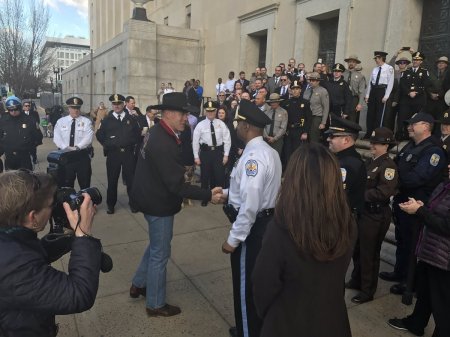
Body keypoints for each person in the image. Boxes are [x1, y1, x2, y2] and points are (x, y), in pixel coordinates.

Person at [129, 92, 222, 317]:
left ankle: (139, 284)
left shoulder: (158, 132)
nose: (186, 119)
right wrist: (208, 194)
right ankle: (155, 304)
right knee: (161, 253)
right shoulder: (162, 141)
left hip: (149, 197)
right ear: (169, 113)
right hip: (157, 203)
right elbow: (177, 186)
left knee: (155, 245)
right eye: (183, 114)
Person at [252, 143, 355, 337]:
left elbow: (263, 285)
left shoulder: (281, 229)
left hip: (287, 324)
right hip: (332, 321)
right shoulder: (348, 224)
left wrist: (272, 316)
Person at [0, 169, 101, 337]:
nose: (54, 208)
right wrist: (84, 234)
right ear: (32, 218)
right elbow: (79, 294)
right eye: (50, 205)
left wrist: (62, 242)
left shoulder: (9, 234)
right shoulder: (14, 267)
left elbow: (23, 254)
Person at [219, 99, 282, 337]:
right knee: (259, 283)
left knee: (246, 288)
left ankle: (248, 331)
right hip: (266, 223)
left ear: (246, 126)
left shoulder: (254, 157)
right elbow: (252, 190)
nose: (236, 127)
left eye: (238, 123)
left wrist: (233, 239)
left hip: (252, 229)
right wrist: (225, 195)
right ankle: (253, 327)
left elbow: (251, 203)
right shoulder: (269, 152)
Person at [379, 113, 446, 295]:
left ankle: (409, 281)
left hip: (416, 205)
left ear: (426, 126)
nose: (409, 127)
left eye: (413, 124)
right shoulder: (410, 146)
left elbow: (419, 177)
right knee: (402, 239)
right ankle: (399, 272)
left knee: (411, 242)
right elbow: (395, 166)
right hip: (403, 200)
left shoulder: (434, 151)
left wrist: (395, 182)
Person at [387, 166, 450, 337]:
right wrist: (421, 207)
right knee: (426, 293)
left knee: (443, 305)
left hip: (444, 258)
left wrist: (420, 211)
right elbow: (436, 212)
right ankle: (416, 323)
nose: (449, 166)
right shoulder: (445, 185)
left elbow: (446, 226)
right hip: (431, 251)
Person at [345, 127, 398, 303]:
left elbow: (384, 191)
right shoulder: (372, 162)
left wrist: (359, 195)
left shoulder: (388, 166)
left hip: (376, 214)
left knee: (369, 253)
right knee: (358, 249)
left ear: (386, 145)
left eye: (377, 143)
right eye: (372, 142)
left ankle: (367, 290)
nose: (372, 145)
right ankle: (356, 279)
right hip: (364, 212)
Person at [96, 94, 141, 214]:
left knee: (131, 180)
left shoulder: (131, 119)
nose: (117, 106)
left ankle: (133, 204)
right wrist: (108, 144)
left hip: (128, 154)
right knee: (112, 180)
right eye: (114, 104)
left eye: (119, 103)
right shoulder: (106, 120)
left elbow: (137, 134)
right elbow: (99, 135)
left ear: (123, 104)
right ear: (112, 105)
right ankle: (111, 205)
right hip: (113, 154)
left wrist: (131, 142)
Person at [326, 116, 366, 216]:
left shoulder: (349, 164)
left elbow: (337, 196)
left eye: (332, 136)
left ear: (346, 140)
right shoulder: (341, 159)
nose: (328, 139)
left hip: (341, 219)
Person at [192, 101, 231, 206]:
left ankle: (219, 197)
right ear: (205, 111)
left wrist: (226, 155)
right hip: (205, 153)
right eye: (208, 111)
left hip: (218, 153)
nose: (210, 113)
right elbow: (195, 142)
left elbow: (227, 140)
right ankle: (205, 197)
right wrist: (196, 156)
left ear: (216, 111)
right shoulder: (200, 125)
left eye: (212, 111)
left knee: (219, 176)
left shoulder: (221, 124)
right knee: (205, 177)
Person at [53, 97, 94, 189]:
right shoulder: (61, 121)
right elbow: (57, 138)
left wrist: (77, 147)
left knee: (85, 185)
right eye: (73, 108)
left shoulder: (86, 122)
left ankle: (84, 202)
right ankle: (68, 202)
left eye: (78, 108)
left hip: (81, 157)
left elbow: (88, 137)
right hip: (65, 157)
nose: (75, 110)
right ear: (69, 108)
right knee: (66, 185)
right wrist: (65, 148)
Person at [0, 96, 42, 170]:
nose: (13, 112)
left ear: (19, 107)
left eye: (15, 109)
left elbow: (38, 138)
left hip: (24, 157)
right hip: (9, 158)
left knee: (26, 180)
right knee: (11, 180)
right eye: (10, 110)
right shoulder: (3, 121)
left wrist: (29, 147)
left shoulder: (29, 120)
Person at [397, 52, 430, 140]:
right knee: (403, 118)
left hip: (418, 99)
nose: (415, 61)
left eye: (417, 60)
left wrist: (416, 92)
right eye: (414, 59)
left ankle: (413, 137)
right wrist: (409, 92)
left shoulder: (424, 72)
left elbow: (425, 84)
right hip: (406, 99)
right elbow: (402, 85)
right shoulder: (406, 71)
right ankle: (401, 135)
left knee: (415, 119)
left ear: (421, 61)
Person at [365, 51, 395, 139]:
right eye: (375, 58)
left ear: (382, 58)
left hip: (382, 91)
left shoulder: (389, 68)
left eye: (377, 58)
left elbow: (390, 83)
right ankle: (369, 132)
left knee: (379, 114)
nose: (376, 60)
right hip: (374, 91)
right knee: (370, 113)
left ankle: (377, 134)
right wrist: (367, 95)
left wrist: (386, 96)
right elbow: (370, 82)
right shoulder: (375, 69)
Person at [307, 72, 329, 143]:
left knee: (314, 138)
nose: (311, 82)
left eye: (313, 80)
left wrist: (323, 122)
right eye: (310, 80)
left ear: (318, 81)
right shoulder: (308, 90)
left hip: (316, 117)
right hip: (308, 117)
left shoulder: (323, 91)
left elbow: (326, 107)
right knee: (307, 137)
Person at [343, 55, 366, 122]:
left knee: (352, 118)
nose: (351, 63)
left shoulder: (360, 76)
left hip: (354, 99)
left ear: (356, 64)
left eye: (353, 62)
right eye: (350, 62)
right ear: (347, 63)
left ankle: (352, 132)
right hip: (344, 98)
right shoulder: (343, 74)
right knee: (343, 118)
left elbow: (361, 91)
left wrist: (360, 104)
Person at [22, 99, 41, 164]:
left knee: (33, 147)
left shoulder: (34, 113)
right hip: (24, 132)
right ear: (23, 107)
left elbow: (38, 121)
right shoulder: (21, 114)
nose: (27, 107)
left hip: (33, 132)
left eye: (28, 106)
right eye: (26, 106)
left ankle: (34, 158)